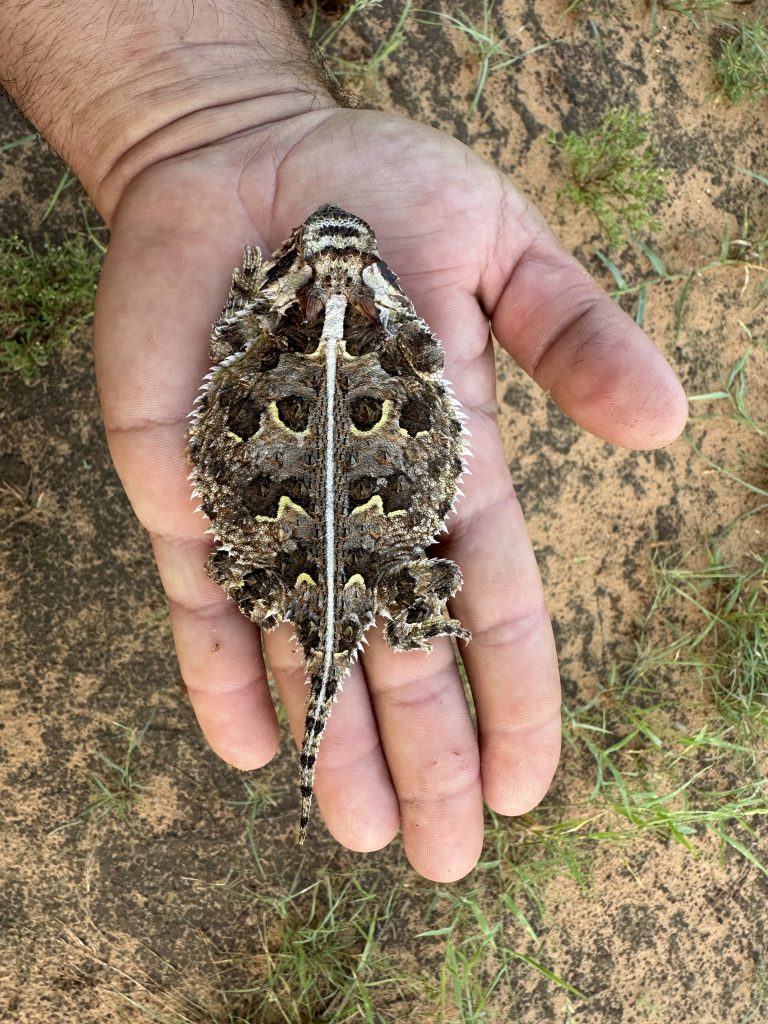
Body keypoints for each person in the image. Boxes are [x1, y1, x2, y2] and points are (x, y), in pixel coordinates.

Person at [0, 0, 688, 882]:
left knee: (299, 576)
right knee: (312, 579)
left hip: (304, 522)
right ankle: (404, 612)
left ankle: (375, 630)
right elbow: (431, 373)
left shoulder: (269, 316)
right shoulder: (399, 330)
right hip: (335, 546)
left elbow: (228, 345)